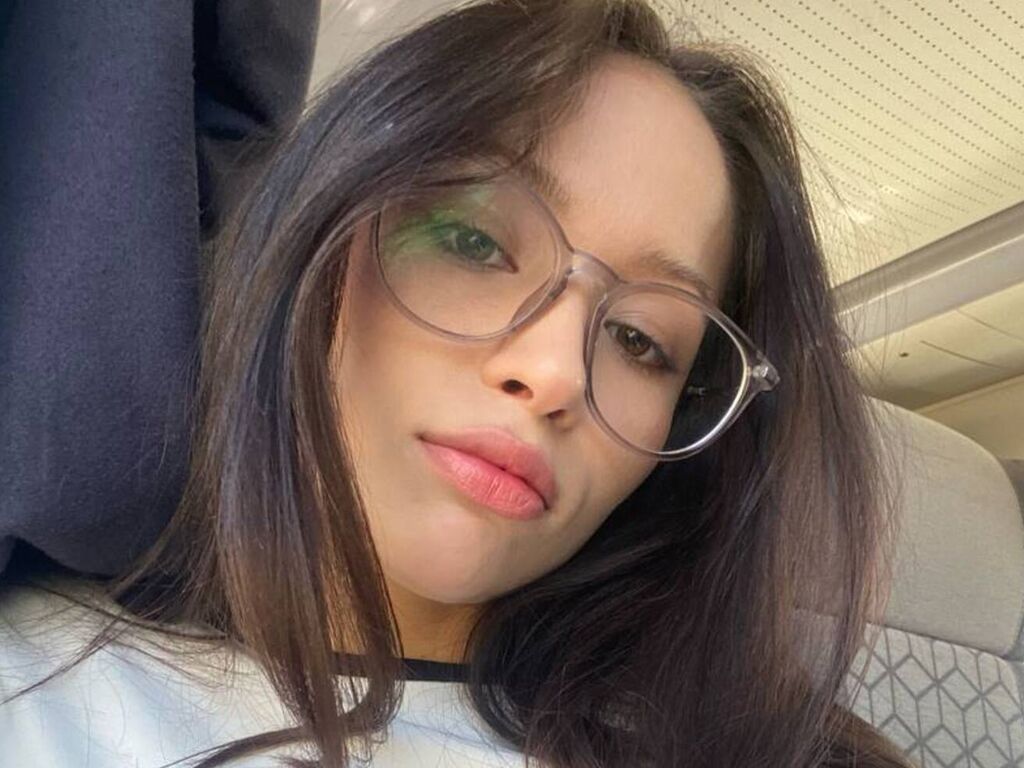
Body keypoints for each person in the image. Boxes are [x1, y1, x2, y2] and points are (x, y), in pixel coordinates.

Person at [0, 1, 914, 766]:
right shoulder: (35, 686)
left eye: (641, 340)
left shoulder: (763, 748)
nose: (554, 373)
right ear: (311, 242)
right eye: (474, 242)